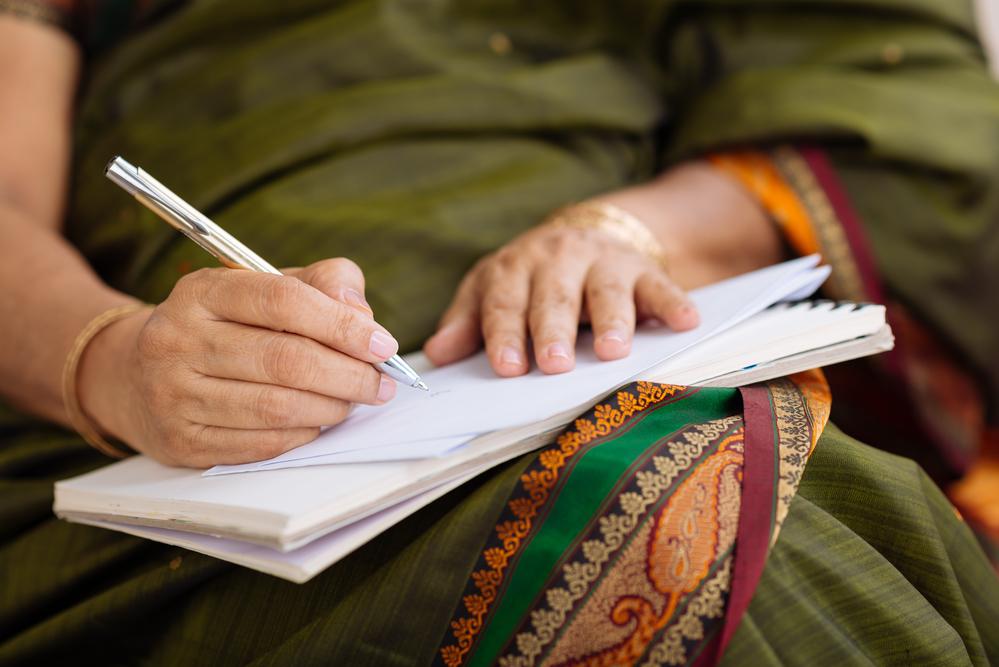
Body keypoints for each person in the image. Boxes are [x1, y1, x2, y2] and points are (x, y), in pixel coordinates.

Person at [0, 0, 997, 665]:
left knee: (699, 516)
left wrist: (624, 232)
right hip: (183, 419)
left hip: (607, 319)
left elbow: (885, 86)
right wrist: (108, 360)